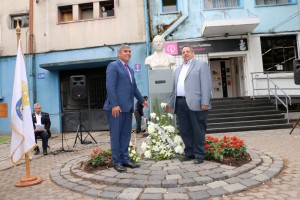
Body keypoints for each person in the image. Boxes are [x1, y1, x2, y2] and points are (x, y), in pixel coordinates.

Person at [104, 44, 147, 172]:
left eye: (129, 51)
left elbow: (134, 88)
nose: (128, 53)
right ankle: (117, 162)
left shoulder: (130, 70)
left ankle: (125, 160)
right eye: (125, 51)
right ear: (119, 54)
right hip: (116, 108)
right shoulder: (113, 66)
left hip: (127, 108)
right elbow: (110, 87)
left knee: (125, 135)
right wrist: (115, 104)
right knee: (116, 136)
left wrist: (142, 100)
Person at [167, 45, 212, 164]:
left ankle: (199, 155)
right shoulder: (178, 70)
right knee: (184, 130)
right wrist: (170, 103)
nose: (185, 54)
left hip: (196, 103)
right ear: (181, 55)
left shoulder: (201, 65)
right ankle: (189, 153)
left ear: (193, 53)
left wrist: (205, 102)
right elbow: (174, 89)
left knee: (198, 130)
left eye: (188, 51)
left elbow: (206, 84)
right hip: (180, 103)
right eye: (183, 52)